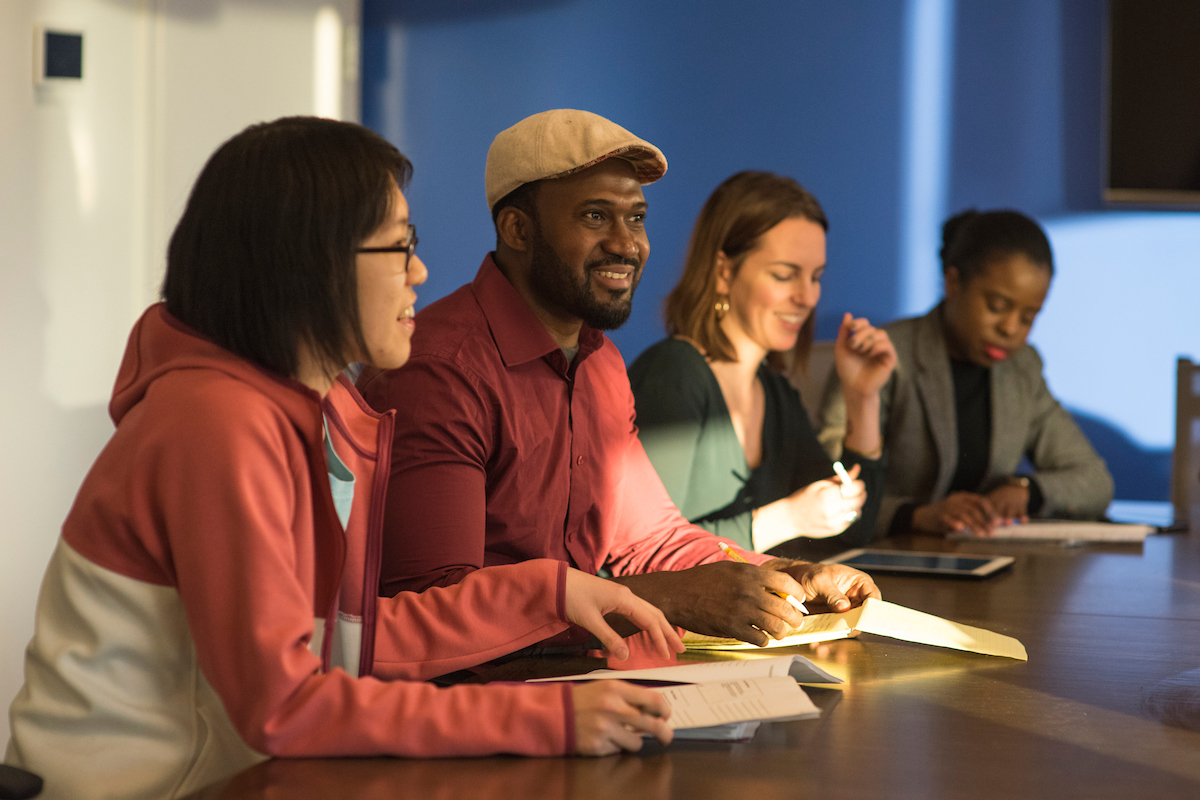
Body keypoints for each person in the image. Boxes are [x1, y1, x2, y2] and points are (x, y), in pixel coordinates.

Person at [4, 117, 686, 800]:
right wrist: (545, 716)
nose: (418, 271)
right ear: (314, 261)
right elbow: (286, 706)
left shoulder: (306, 408)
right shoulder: (215, 422)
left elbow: (342, 643)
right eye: (398, 247)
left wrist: (549, 592)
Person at [359, 109, 880, 649]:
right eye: (593, 216)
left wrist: (788, 577)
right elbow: (433, 610)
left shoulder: (601, 361)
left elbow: (652, 541)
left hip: (581, 679)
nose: (626, 244)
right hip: (472, 699)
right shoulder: (441, 367)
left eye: (636, 218)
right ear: (517, 229)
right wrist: (669, 599)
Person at [628, 171, 897, 554]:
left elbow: (853, 532)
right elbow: (642, 550)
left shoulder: (776, 393)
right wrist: (787, 518)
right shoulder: (674, 374)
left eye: (815, 277)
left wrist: (863, 397)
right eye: (785, 275)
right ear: (724, 272)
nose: (807, 297)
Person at [818, 209, 1114, 537]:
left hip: (978, 561)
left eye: (1028, 317)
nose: (1010, 328)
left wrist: (1028, 491)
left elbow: (1095, 481)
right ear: (953, 282)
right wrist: (916, 516)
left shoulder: (1022, 369)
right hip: (883, 562)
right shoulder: (883, 358)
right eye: (997, 306)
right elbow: (823, 485)